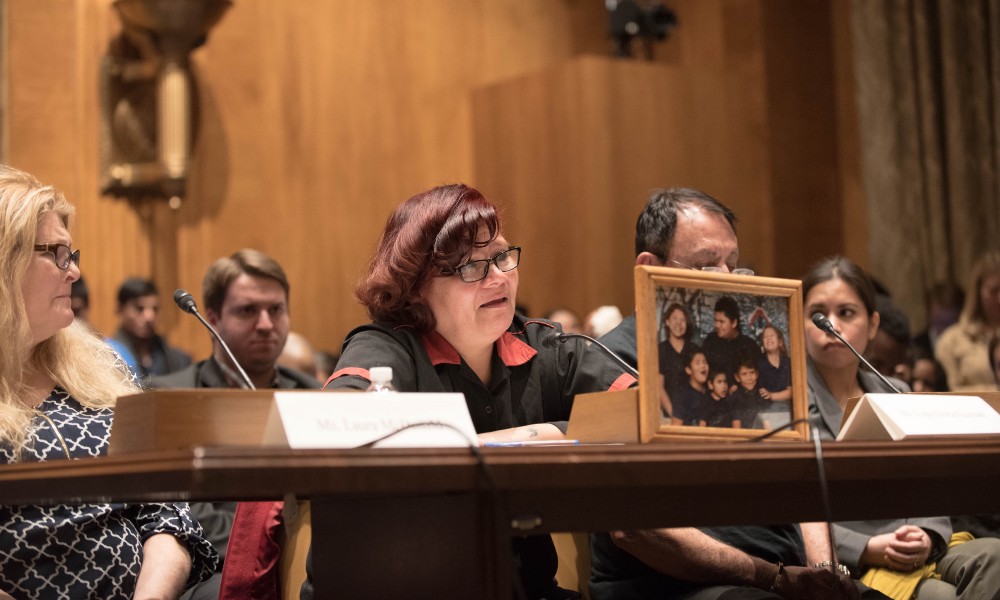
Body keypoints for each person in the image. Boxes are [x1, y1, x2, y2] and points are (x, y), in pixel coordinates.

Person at [301, 183, 636, 599]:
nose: (497, 277)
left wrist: (501, 441)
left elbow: (642, 416)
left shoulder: (546, 348)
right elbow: (335, 429)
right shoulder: (383, 346)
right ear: (416, 286)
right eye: (470, 266)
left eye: (501, 257)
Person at [593, 188, 866, 599]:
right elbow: (633, 528)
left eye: (733, 265)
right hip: (672, 585)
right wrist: (772, 578)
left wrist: (824, 573)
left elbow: (798, 481)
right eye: (706, 265)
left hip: (781, 576)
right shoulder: (612, 360)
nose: (726, 281)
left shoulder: (751, 354)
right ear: (647, 268)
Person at [0, 165, 217, 598]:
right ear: (7, 260)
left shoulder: (97, 369)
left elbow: (166, 513)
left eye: (72, 255)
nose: (74, 272)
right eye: (57, 254)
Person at [804, 255, 1000, 599]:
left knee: (995, 556)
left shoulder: (896, 390)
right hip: (853, 558)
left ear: (873, 325)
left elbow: (929, 481)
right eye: (818, 314)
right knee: (939, 596)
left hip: (919, 542)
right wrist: (867, 546)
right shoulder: (787, 404)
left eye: (846, 313)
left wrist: (927, 533)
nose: (831, 325)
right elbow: (789, 513)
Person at [149, 249, 320, 600]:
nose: (266, 324)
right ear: (211, 319)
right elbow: (179, 509)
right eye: (247, 311)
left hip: (305, 561)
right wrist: (269, 547)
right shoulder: (172, 396)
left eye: (276, 310)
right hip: (212, 567)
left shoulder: (314, 395)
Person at [935, 251, 1000, 391]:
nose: (999, 299)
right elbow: (947, 391)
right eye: (994, 291)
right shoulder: (952, 340)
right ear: (978, 292)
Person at [110, 276, 192, 379]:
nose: (150, 317)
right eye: (139, 308)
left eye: (155, 309)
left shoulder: (178, 360)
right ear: (120, 309)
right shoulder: (109, 356)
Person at [701, 295, 762, 389]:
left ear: (734, 323)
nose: (717, 325)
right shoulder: (710, 341)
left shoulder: (750, 346)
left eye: (721, 322)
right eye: (715, 320)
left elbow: (757, 379)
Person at [658, 302, 692, 414]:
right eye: (675, 319)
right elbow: (659, 386)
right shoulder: (660, 350)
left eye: (682, 320)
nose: (679, 323)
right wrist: (673, 414)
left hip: (692, 411)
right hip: (669, 413)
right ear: (667, 322)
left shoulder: (694, 349)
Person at [672, 346, 709, 426]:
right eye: (697, 363)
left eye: (705, 362)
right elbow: (676, 428)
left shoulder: (711, 391)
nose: (703, 366)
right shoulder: (682, 395)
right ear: (688, 370)